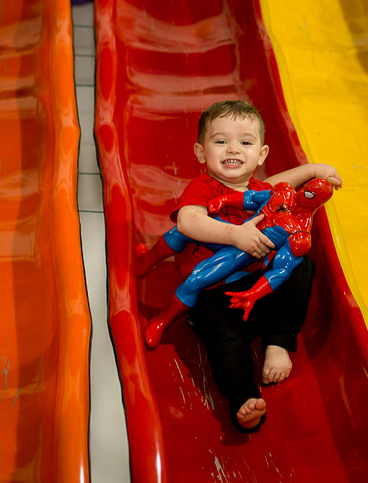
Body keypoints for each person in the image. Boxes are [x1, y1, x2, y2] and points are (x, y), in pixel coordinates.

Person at [136, 99, 341, 431]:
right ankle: (243, 399)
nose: (233, 148)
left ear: (260, 155)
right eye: (221, 141)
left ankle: (278, 341)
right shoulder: (202, 188)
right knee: (226, 343)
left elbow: (278, 183)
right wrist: (235, 235)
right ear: (201, 152)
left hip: (258, 293)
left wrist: (314, 170)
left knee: (303, 268)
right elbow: (188, 222)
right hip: (213, 299)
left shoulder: (261, 189)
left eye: (245, 142)